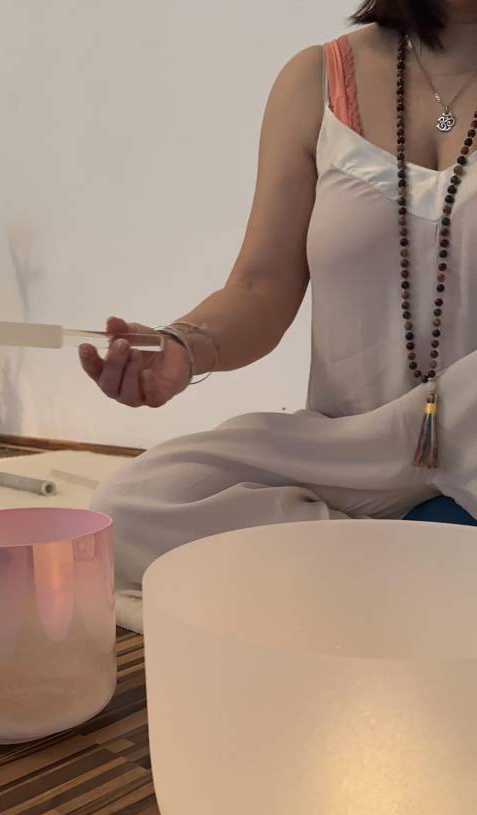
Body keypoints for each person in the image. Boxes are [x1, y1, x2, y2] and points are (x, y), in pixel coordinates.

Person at [79, 0, 477, 631]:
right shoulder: (316, 79)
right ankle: (426, 578)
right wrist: (182, 346)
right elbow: (260, 286)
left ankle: (377, 593)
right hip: (348, 450)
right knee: (130, 511)